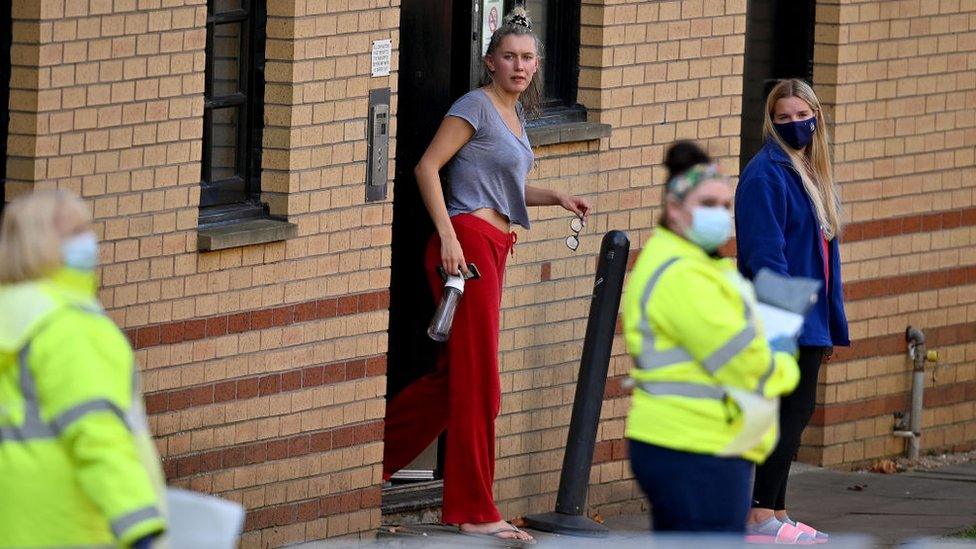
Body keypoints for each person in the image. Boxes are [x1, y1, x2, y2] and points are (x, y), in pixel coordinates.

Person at [381, 7, 591, 544]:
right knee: (482, 388)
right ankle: (474, 508)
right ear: (489, 61)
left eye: (527, 58)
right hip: (466, 247)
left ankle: (368, 459)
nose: (520, 66)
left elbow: (505, 190)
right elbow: (427, 168)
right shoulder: (475, 105)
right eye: (510, 57)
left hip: (496, 246)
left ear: (537, 65)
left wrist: (556, 196)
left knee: (457, 381)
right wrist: (449, 235)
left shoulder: (517, 117)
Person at [623, 141, 800, 536]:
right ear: (674, 208)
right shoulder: (684, 274)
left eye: (725, 206)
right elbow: (748, 363)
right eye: (708, 204)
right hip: (698, 448)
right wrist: (785, 360)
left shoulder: (695, 264)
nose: (720, 215)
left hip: (696, 443)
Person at [0, 190, 167, 548]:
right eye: (76, 231)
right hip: (75, 529)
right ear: (41, 245)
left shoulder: (10, 319)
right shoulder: (70, 328)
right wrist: (141, 529)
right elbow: (97, 435)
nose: (90, 240)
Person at [736, 78, 850, 543]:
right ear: (771, 121)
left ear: (816, 117)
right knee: (785, 413)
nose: (794, 124)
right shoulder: (766, 173)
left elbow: (823, 258)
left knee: (796, 412)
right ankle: (759, 516)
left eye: (801, 116)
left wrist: (827, 323)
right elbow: (767, 255)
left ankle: (777, 511)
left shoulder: (808, 171)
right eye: (783, 118)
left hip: (810, 315)